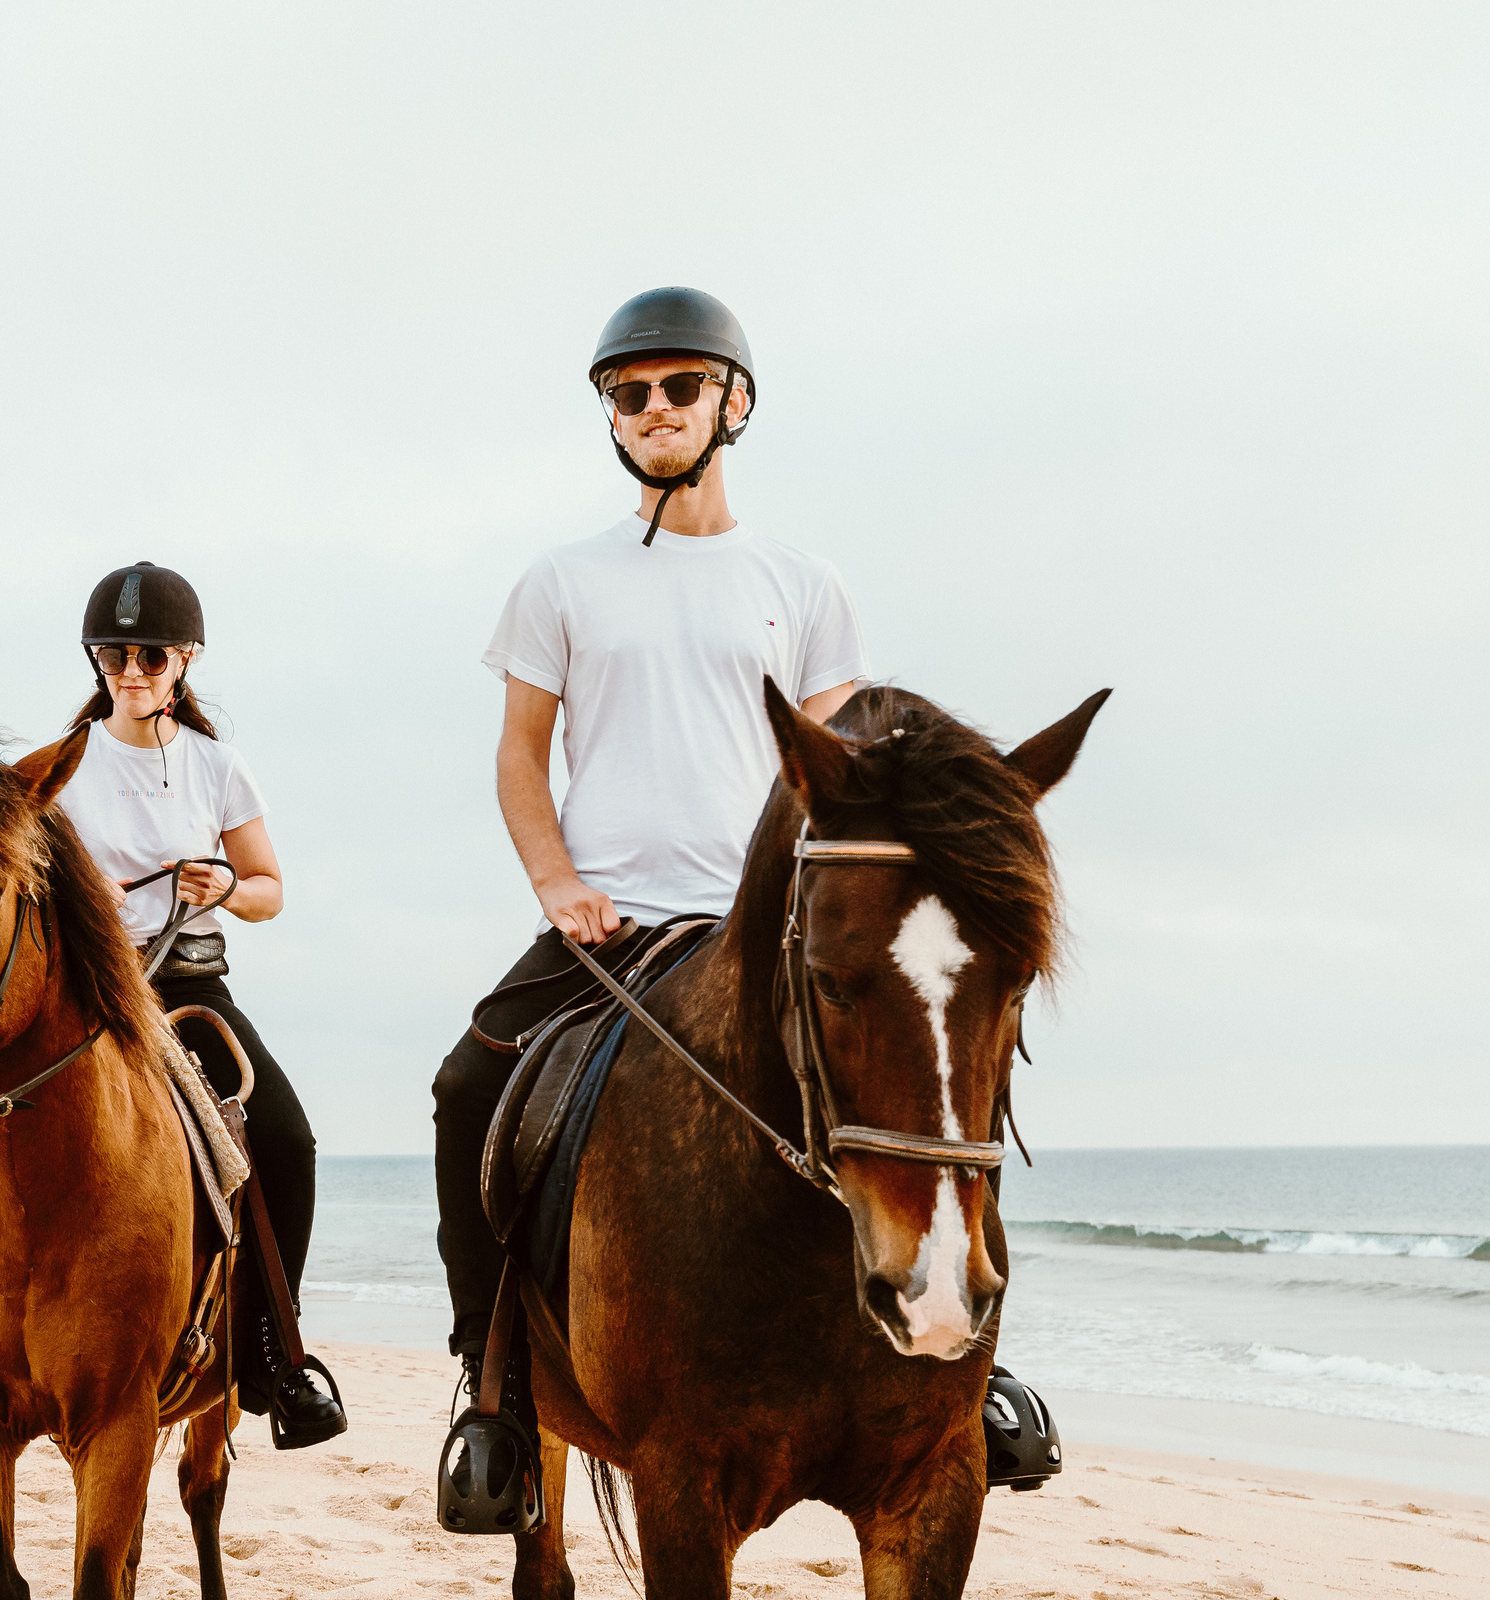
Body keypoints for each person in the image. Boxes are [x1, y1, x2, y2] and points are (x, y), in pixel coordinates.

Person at [431, 285, 1054, 1471]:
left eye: (679, 386)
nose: (654, 407)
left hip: (765, 925)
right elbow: (519, 758)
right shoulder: (560, 580)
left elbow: (837, 774)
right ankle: (494, 1389)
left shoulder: (802, 582)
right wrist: (558, 885)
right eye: (631, 393)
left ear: (735, 401)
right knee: (465, 1084)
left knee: (930, 1071)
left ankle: (972, 1362)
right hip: (606, 925)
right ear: (612, 417)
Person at [0, 562, 348, 1448]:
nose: (132, 669)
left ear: (185, 659)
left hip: (190, 984)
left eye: (151, 654)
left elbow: (274, 889)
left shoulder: (218, 765)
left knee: (286, 1134)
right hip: (86, 981)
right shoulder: (57, 768)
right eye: (114, 653)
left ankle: (276, 1357)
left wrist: (225, 884)